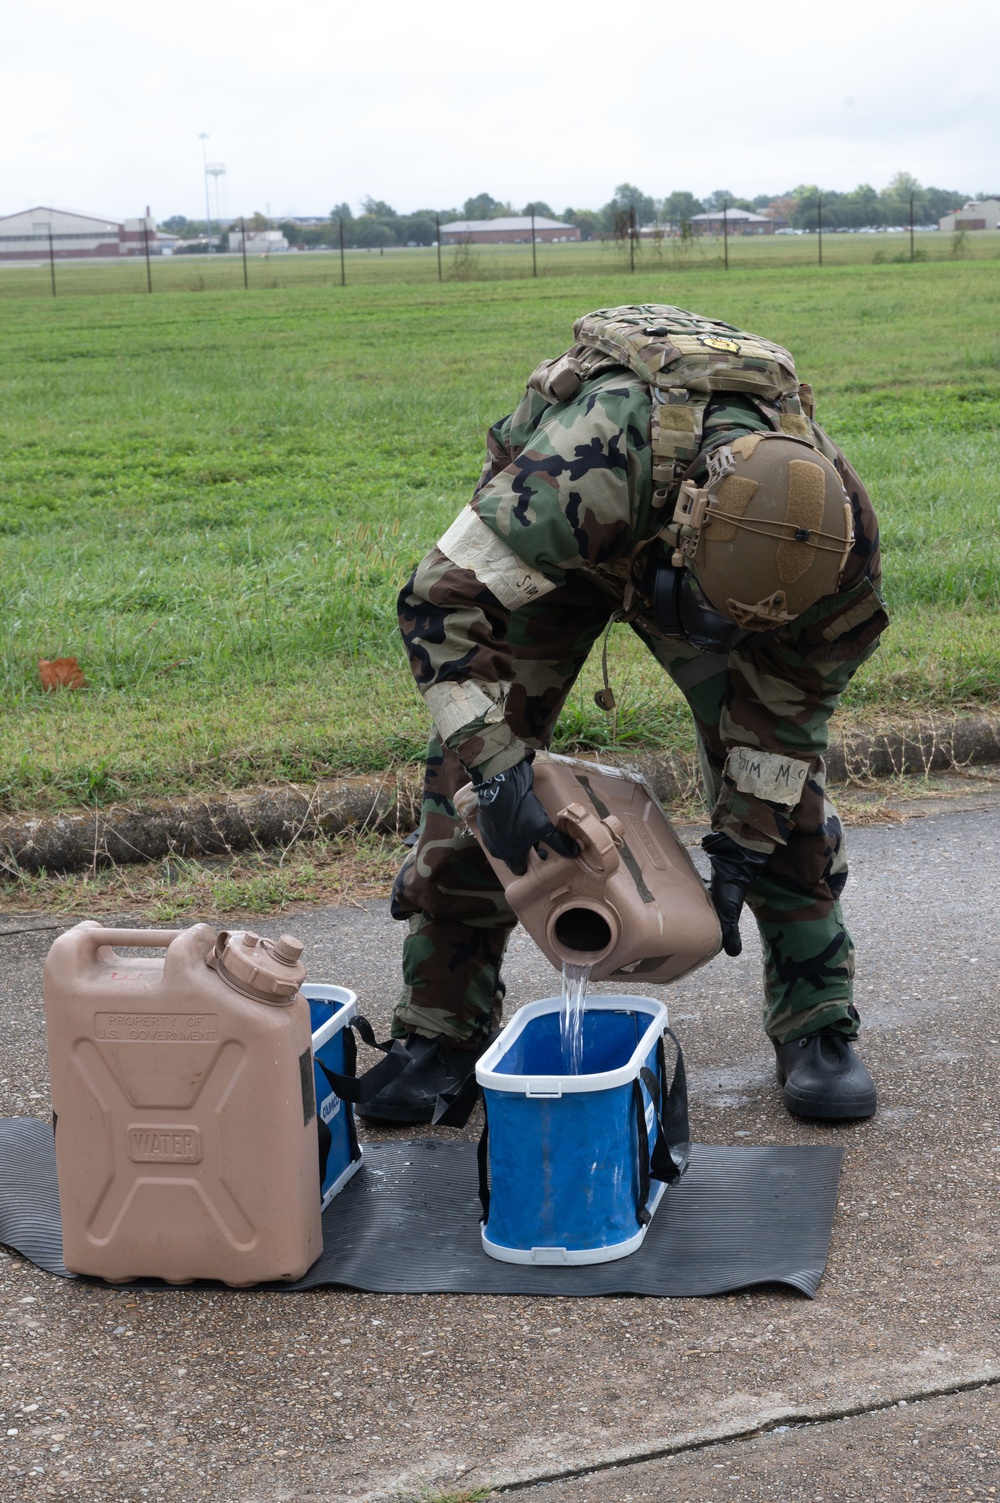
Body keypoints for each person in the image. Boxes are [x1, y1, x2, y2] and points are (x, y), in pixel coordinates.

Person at [360, 304, 888, 1127]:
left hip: (720, 575)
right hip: (583, 549)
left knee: (790, 795)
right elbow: (439, 607)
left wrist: (745, 838)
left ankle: (817, 1021)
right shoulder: (584, 473)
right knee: (472, 776)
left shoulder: (836, 550)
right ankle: (440, 1028)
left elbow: (789, 709)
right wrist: (500, 771)